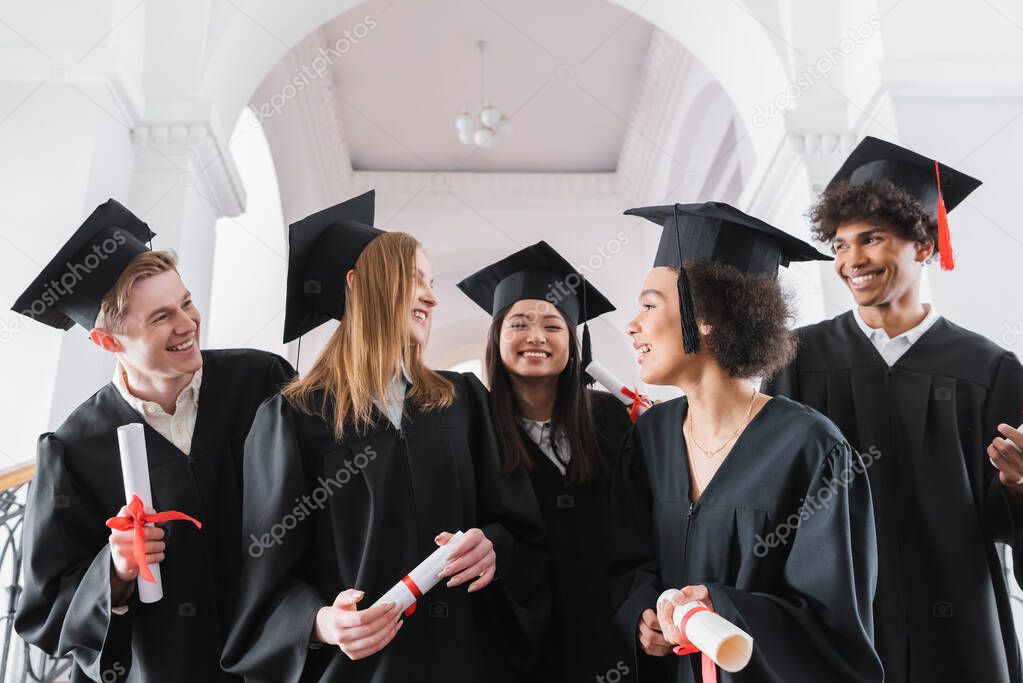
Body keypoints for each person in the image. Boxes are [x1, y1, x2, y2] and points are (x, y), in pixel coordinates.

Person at [221, 190, 548, 683]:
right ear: (357, 284)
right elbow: (266, 579)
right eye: (416, 280)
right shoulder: (294, 418)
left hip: (466, 664)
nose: (433, 297)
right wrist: (322, 623)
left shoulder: (463, 399)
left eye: (432, 284)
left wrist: (494, 549)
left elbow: (522, 530)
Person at [763, 136, 1023, 683]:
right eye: (839, 244)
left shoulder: (988, 369)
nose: (852, 260)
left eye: (872, 239)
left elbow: (1004, 522)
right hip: (835, 623)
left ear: (923, 245)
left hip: (957, 627)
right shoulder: (797, 361)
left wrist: (1020, 488)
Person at [12, 199, 294, 682]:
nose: (187, 324)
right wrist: (115, 572)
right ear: (108, 342)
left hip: (277, 657)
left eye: (186, 303)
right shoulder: (75, 448)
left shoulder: (261, 383)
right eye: (161, 317)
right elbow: (45, 611)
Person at [609, 201, 883, 682]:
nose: (632, 324)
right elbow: (626, 565)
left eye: (649, 305)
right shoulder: (650, 439)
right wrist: (643, 614)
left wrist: (726, 610)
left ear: (708, 316)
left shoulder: (810, 449)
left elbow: (834, 628)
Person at [458, 240, 659, 682]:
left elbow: (645, 524)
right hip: (520, 641)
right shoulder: (473, 430)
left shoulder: (613, 418)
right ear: (497, 338)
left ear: (573, 341)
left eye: (553, 325)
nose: (536, 337)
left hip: (616, 629)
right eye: (519, 324)